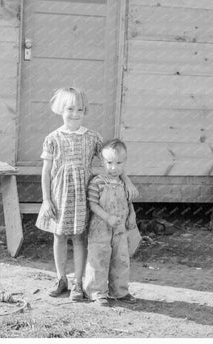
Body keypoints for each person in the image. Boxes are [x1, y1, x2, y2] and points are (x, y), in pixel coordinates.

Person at [35, 87, 103, 301]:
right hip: (59, 195)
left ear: (85, 112)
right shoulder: (53, 138)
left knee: (79, 237)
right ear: (60, 109)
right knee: (59, 235)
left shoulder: (92, 137)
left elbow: (109, 161)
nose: (75, 114)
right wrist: (46, 199)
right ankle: (61, 278)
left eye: (80, 109)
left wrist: (119, 182)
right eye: (70, 108)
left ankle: (78, 282)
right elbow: (46, 171)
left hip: (82, 195)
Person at [84, 138, 139, 306]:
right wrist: (107, 217)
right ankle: (97, 292)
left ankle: (119, 291)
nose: (114, 168)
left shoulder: (124, 183)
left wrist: (132, 217)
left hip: (120, 228)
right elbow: (92, 204)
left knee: (121, 259)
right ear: (102, 161)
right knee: (99, 258)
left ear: (125, 162)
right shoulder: (97, 181)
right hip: (100, 227)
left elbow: (128, 202)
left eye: (119, 163)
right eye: (109, 163)